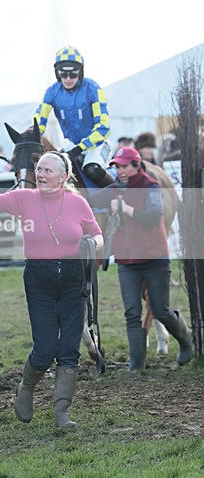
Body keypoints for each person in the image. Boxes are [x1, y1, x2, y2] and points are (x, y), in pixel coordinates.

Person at [0, 150, 103, 429]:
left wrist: (93, 244)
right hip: (39, 279)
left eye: (47, 171)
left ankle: (62, 412)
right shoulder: (24, 198)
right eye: (39, 169)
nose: (40, 174)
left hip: (73, 278)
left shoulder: (77, 203)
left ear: (63, 177)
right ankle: (26, 387)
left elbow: (97, 233)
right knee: (45, 348)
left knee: (69, 349)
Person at [90, 146, 193, 370]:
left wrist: (126, 209)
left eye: (124, 166)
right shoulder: (114, 189)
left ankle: (187, 339)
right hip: (127, 262)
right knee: (131, 313)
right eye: (117, 167)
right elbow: (87, 201)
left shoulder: (151, 187)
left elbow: (154, 217)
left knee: (161, 310)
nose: (120, 171)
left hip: (155, 259)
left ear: (137, 165)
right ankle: (136, 366)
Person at [34, 47, 112, 186]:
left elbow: (103, 128)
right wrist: (34, 132)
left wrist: (80, 148)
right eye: (63, 74)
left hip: (97, 144)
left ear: (80, 72)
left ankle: (120, 192)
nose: (68, 79)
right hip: (71, 143)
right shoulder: (51, 91)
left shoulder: (93, 88)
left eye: (73, 74)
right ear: (57, 73)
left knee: (92, 169)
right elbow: (40, 120)